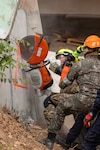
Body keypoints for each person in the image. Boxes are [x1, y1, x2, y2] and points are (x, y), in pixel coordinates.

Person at [38, 35, 100, 150]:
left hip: (83, 99)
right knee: (81, 117)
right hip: (97, 104)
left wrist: (63, 71)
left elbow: (64, 83)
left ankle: (50, 140)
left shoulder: (80, 64)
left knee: (61, 105)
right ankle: (78, 143)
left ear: (86, 49)